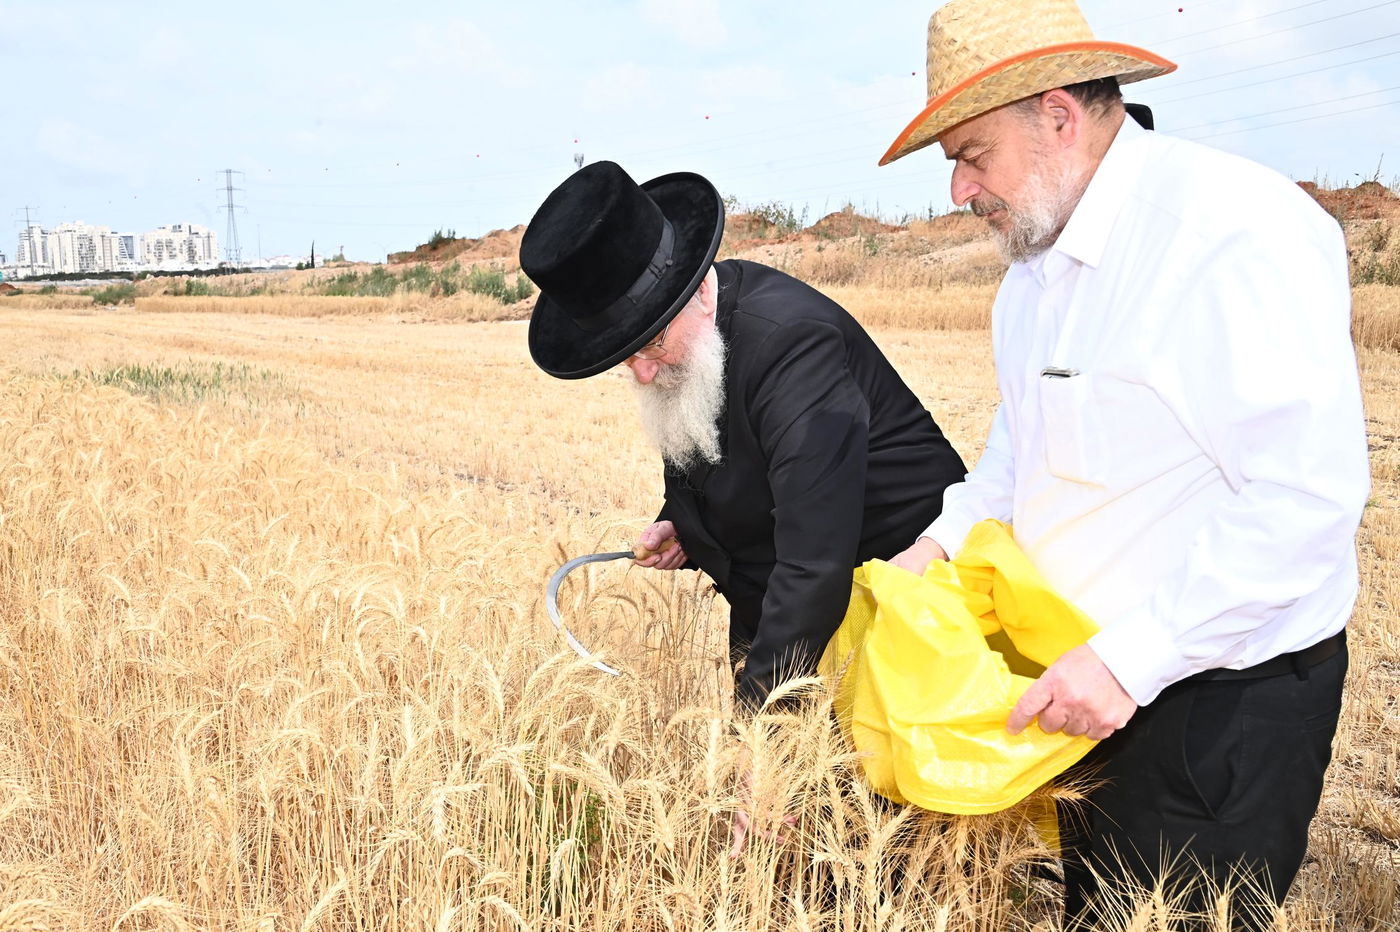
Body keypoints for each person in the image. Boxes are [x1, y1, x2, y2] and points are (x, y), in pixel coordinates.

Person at [879, 0, 1369, 926]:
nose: (959, 193)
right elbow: (1018, 455)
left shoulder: (1234, 233)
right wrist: (933, 550)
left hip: (1218, 702)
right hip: (1090, 680)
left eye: (971, 156)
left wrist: (1131, 661)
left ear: (1059, 115)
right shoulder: (1030, 282)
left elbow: (1303, 499)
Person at [519, 159, 967, 715]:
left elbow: (813, 564)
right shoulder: (690, 340)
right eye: (623, 356)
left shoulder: (793, 345)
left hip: (898, 606)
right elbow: (716, 449)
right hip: (788, 606)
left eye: (652, 344)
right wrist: (686, 523)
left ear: (701, 291)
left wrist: (759, 740)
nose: (643, 373)